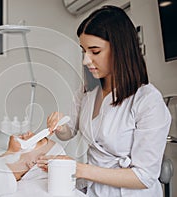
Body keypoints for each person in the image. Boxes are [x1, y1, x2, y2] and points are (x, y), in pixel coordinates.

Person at [37, 5, 171, 196]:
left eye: (95, 51)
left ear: (120, 50)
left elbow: (144, 177)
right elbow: (69, 132)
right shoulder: (88, 92)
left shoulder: (147, 101)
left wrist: (79, 169)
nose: (85, 60)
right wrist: (60, 126)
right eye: (83, 51)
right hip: (93, 189)